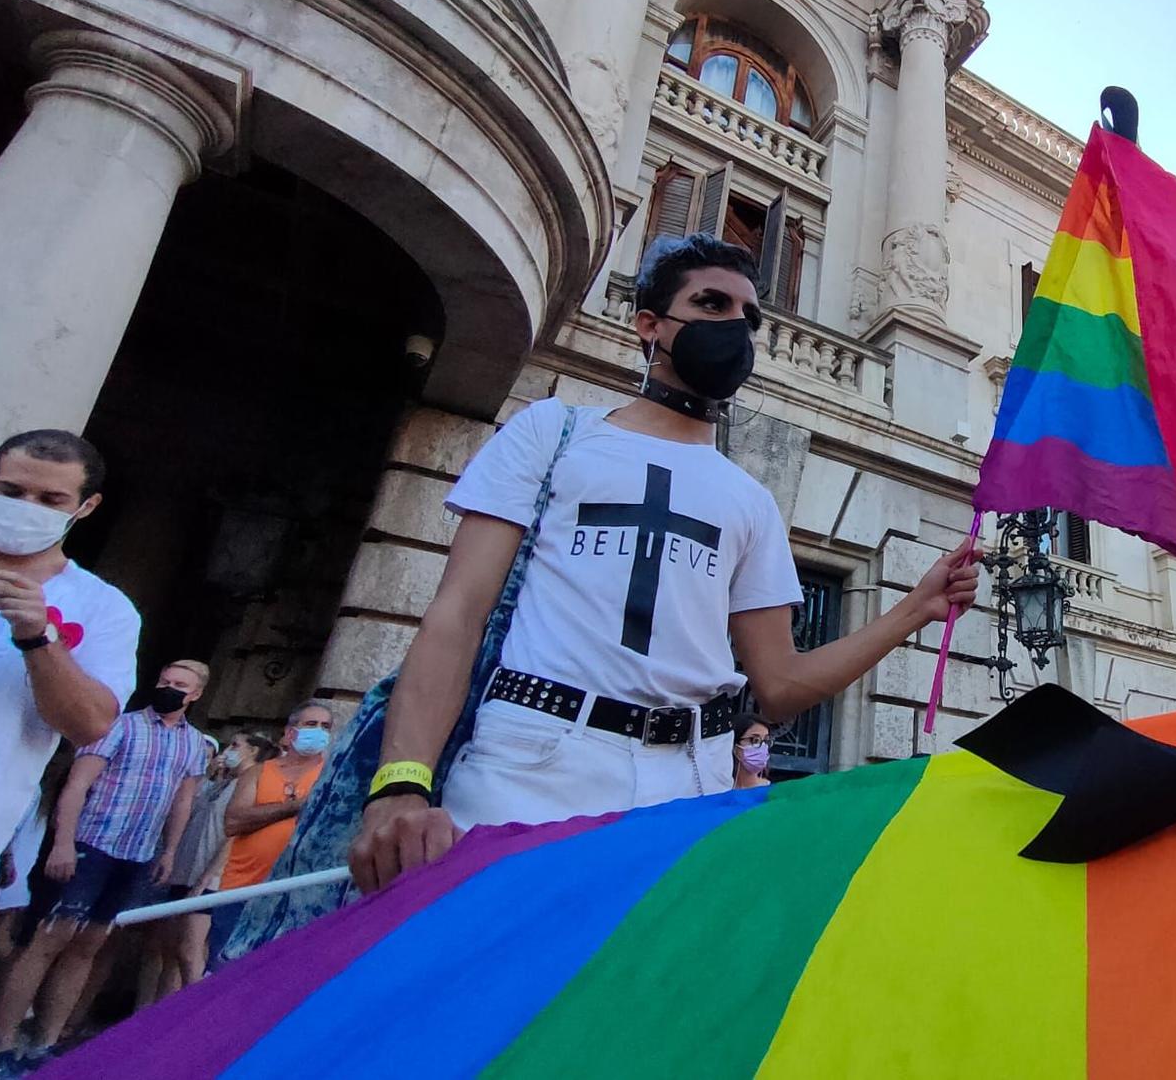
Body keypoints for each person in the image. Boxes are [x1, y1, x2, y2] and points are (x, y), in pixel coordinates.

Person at [349, 235, 979, 893]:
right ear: (649, 325)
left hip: (689, 789)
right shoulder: (552, 433)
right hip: (528, 768)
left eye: (748, 316)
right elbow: (457, 614)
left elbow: (783, 682)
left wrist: (917, 608)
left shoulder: (750, 501)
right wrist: (401, 782)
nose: (734, 325)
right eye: (711, 303)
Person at [0, 431, 139, 979]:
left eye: (50, 500)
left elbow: (90, 725)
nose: (24, 509)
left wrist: (38, 637)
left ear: (85, 506)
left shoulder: (106, 609)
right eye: (11, 491)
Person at [0, 661, 209, 1075]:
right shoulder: (119, 726)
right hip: (92, 842)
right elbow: (78, 785)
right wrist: (64, 842)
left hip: (136, 851)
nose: (169, 689)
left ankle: (46, 1040)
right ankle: (1, 1043)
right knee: (48, 938)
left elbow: (183, 800)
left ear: (194, 695)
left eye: (179, 686)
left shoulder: (193, 744)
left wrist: (170, 850)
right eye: (164, 681)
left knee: (90, 944)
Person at [141, 729, 276, 1004]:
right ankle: (159, 1015)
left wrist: (205, 879)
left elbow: (233, 837)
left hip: (211, 879)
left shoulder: (250, 784)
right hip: (186, 872)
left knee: (190, 952)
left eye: (236, 745)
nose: (229, 750)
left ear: (252, 752)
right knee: (170, 949)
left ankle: (198, 1011)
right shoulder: (222, 782)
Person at [209, 704, 332, 967]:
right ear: (290, 733)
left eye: (326, 727)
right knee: (226, 975)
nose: (320, 732)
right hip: (242, 889)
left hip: (297, 897)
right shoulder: (259, 772)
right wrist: (296, 806)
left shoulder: (332, 775)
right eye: (311, 725)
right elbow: (233, 821)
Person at [731, 714, 773, 789]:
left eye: (766, 740)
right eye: (755, 740)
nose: (762, 747)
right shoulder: (721, 789)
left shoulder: (769, 792)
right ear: (735, 746)